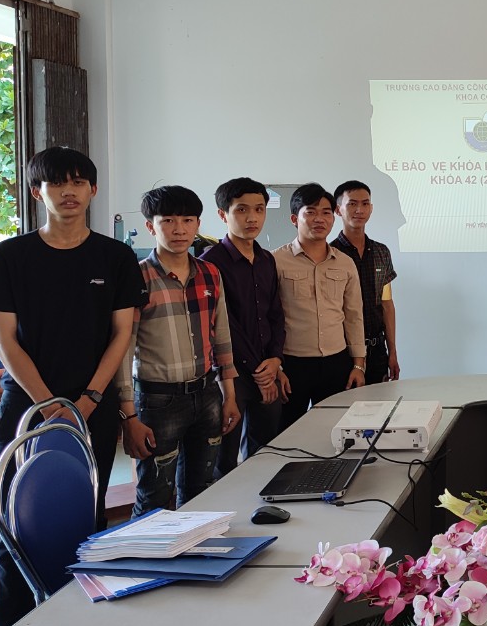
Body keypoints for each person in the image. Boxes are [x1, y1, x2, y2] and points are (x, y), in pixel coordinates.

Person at [0, 146, 145, 626]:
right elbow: (4, 340)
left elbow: (122, 334)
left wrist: (87, 400)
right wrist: (51, 406)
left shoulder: (115, 257)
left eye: (78, 182)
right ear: (37, 192)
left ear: (93, 189)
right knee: (18, 522)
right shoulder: (8, 256)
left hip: (93, 408)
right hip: (26, 411)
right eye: (56, 183)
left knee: (84, 520)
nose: (68, 192)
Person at [118, 186, 240, 515]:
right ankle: (145, 551)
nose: (179, 229)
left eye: (187, 220)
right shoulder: (138, 278)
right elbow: (123, 351)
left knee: (202, 492)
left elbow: (222, 337)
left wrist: (229, 394)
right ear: (150, 226)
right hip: (157, 401)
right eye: (168, 221)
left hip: (207, 394)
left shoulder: (210, 273)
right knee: (154, 497)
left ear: (198, 224)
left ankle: (194, 548)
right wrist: (128, 415)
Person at [201, 177, 289, 469]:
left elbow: (275, 313)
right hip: (230, 375)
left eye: (259, 209)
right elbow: (224, 325)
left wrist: (275, 360)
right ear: (222, 214)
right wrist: (259, 372)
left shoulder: (266, 259)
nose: (252, 218)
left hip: (267, 367)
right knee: (224, 459)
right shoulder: (209, 263)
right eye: (241, 209)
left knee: (266, 452)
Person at [273, 183, 366, 426]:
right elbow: (267, 317)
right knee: (288, 430)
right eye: (311, 212)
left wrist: (358, 364)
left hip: (337, 362)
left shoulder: (344, 263)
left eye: (326, 212)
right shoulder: (275, 262)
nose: (319, 219)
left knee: (334, 429)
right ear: (295, 218)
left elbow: (354, 315)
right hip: (292, 363)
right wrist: (276, 368)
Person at [331, 180, 400, 384]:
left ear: (371, 208)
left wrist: (392, 351)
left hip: (377, 350)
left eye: (365, 204)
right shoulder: (330, 254)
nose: (359, 210)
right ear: (338, 210)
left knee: (380, 403)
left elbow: (386, 303)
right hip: (342, 352)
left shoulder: (381, 252)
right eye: (352, 204)